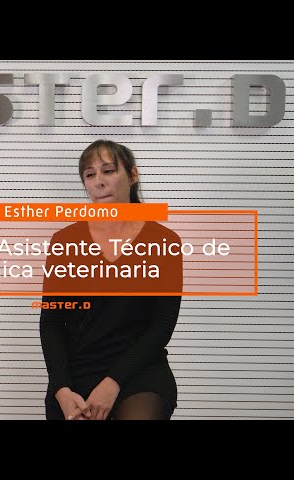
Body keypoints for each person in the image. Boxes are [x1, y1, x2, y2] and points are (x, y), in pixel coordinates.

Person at [39, 139, 183, 420]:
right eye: (90, 174)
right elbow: (51, 323)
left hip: (139, 371)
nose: (99, 181)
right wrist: (61, 388)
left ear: (132, 175)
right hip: (76, 374)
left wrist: (113, 382)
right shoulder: (65, 242)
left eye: (108, 171)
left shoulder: (164, 242)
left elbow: (161, 325)